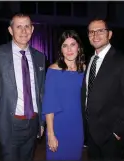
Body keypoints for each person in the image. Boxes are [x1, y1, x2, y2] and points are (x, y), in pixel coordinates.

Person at [81, 18, 124, 160]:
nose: (95, 35)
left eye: (100, 31)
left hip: (111, 137)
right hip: (91, 133)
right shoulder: (89, 61)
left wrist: (117, 132)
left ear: (110, 34)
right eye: (91, 32)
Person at [0, 13, 46, 161]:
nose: (23, 31)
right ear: (10, 30)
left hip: (32, 122)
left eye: (27, 26)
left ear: (32, 29)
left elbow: (40, 91)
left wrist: (41, 121)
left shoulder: (40, 57)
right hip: (8, 124)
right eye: (18, 26)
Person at [42, 30, 85, 160]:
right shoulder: (53, 70)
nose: (69, 49)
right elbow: (49, 104)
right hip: (58, 126)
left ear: (79, 47)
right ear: (61, 50)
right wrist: (50, 134)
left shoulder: (85, 69)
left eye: (72, 44)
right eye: (65, 46)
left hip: (78, 126)